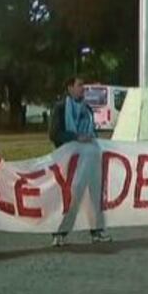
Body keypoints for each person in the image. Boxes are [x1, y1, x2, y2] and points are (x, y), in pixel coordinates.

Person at [48, 77, 112, 246]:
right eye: (79, 85)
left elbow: (92, 133)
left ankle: (97, 231)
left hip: (91, 161)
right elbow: (54, 134)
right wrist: (76, 137)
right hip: (70, 162)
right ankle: (59, 233)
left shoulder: (87, 109)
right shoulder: (61, 108)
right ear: (69, 88)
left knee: (95, 197)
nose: (83, 89)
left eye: (83, 85)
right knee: (71, 197)